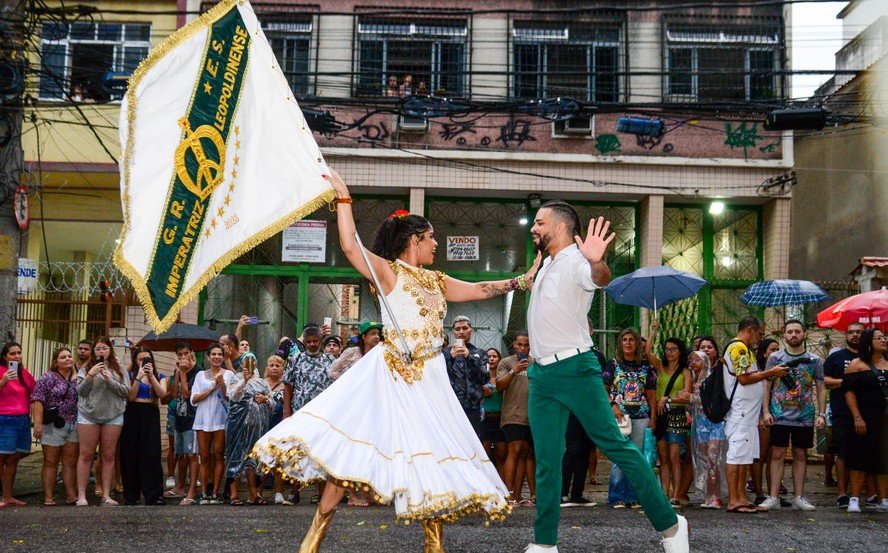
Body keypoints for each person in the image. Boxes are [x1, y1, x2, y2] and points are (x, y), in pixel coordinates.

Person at [254, 169, 528, 552]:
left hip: (430, 379)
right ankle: (311, 541)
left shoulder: (437, 281)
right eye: (431, 237)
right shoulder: (387, 272)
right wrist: (344, 199)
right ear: (415, 240)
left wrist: (519, 281)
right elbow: (350, 246)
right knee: (352, 453)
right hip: (391, 375)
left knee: (432, 458)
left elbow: (481, 289)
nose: (436, 244)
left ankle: (434, 547)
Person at [524, 200, 687, 553]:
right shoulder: (547, 263)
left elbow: (599, 278)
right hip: (541, 374)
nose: (534, 228)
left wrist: (597, 262)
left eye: (539, 222)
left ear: (560, 227)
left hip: (575, 369)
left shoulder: (576, 262)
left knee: (616, 446)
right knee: (547, 461)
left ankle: (672, 526)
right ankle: (544, 543)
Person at [758, 320, 825, 512]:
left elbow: (821, 387)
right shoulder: (775, 358)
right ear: (784, 334)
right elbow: (766, 384)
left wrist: (821, 414)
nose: (793, 335)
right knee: (777, 454)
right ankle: (773, 496)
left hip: (804, 416)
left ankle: (799, 497)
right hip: (779, 414)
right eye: (790, 332)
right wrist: (766, 411)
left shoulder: (814, 360)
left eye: (797, 331)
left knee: (800, 454)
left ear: (804, 333)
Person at [722, 317, 786, 514]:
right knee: (736, 456)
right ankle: (734, 500)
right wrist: (771, 372)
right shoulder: (738, 348)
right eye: (760, 334)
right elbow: (744, 378)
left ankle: (741, 496)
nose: (760, 338)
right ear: (750, 329)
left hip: (748, 414)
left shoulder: (746, 350)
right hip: (740, 412)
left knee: (745, 457)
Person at [603, 328, 657, 509]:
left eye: (631, 340)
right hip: (620, 416)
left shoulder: (646, 367)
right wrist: (613, 406)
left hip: (641, 416)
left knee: (637, 457)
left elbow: (651, 394)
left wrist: (653, 416)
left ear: (637, 344)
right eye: (624, 340)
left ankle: (633, 497)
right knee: (619, 455)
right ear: (620, 343)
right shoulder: (613, 364)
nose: (628, 343)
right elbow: (603, 388)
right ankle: (617, 496)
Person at [75, 337, 130, 506]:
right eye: (97, 349)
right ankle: (81, 495)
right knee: (86, 455)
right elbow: (80, 391)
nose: (101, 352)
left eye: (104, 348)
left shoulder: (118, 366)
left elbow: (126, 391)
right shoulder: (86, 367)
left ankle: (106, 495)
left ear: (110, 350)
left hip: (113, 414)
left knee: (108, 455)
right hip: (88, 414)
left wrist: (109, 380)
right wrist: (90, 375)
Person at [842, 327, 888, 513]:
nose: (883, 340)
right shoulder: (857, 364)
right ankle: (854, 498)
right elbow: (849, 392)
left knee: (883, 459)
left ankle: (883, 499)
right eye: (878, 338)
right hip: (864, 417)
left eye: (884, 337)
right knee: (860, 458)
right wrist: (857, 417)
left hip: (884, 418)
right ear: (868, 342)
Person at [645, 328, 692, 507]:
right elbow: (647, 352)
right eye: (667, 349)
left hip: (677, 414)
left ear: (680, 351)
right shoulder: (660, 367)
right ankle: (664, 494)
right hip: (661, 415)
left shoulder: (685, 372)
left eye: (673, 349)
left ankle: (676, 495)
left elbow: (687, 395)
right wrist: (653, 331)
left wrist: (668, 399)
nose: (669, 352)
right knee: (663, 458)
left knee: (675, 457)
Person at [31, 346, 80, 506]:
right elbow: (37, 400)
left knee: (70, 463)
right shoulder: (47, 378)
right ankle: (48, 497)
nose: (68, 359)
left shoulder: (78, 378)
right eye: (63, 357)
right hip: (52, 425)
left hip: (73, 424)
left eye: (69, 356)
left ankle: (71, 495)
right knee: (50, 462)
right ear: (55, 362)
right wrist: (38, 424)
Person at [560, 345, 607, 508]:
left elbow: (602, 382)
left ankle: (577, 494)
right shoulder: (567, 354)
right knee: (573, 449)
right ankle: (562, 493)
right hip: (572, 409)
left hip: (591, 410)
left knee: (586, 450)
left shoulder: (597, 356)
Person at [823, 322, 864, 508]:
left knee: (865, 453)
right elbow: (824, 380)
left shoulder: (871, 357)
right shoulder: (837, 357)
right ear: (846, 335)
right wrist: (846, 381)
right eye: (851, 332)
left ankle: (867, 494)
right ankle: (842, 494)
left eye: (859, 332)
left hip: (868, 412)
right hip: (842, 412)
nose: (855, 335)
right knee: (843, 453)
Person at [225, 353, 274, 505]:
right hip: (238, 426)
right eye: (246, 361)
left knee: (254, 460)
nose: (250, 363)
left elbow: (273, 404)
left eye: (252, 361)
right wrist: (244, 380)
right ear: (241, 363)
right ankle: (234, 495)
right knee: (236, 457)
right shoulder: (235, 378)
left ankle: (254, 495)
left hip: (258, 428)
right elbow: (233, 395)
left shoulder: (262, 382)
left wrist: (266, 399)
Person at [191, 342, 237, 504]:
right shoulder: (200, 375)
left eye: (219, 354)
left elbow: (231, 397)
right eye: (213, 354)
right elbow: (194, 399)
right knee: (204, 456)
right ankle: (204, 492)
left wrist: (222, 384)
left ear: (223, 357)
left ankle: (215, 492)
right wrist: (212, 388)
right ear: (208, 357)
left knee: (219, 455)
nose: (216, 357)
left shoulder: (229, 374)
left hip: (221, 419)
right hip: (203, 419)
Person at [121, 346, 167, 505]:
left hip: (151, 412)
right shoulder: (130, 375)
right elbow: (131, 397)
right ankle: (131, 494)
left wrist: (151, 376)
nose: (144, 361)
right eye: (140, 359)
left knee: (151, 453)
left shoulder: (159, 376)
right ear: (135, 360)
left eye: (147, 358)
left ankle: (154, 494)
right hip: (133, 412)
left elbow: (162, 394)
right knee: (130, 453)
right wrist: (139, 377)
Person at [682, 351, 726, 509]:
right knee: (703, 460)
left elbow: (712, 401)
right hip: (700, 425)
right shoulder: (692, 381)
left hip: (715, 423)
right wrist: (687, 401)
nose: (693, 362)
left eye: (697, 359)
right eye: (691, 360)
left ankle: (716, 496)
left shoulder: (712, 378)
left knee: (713, 459)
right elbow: (691, 406)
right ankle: (709, 496)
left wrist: (690, 398)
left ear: (705, 361)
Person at [496, 331, 535, 506]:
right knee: (515, 449)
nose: (523, 348)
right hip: (512, 414)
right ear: (514, 345)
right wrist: (515, 370)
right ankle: (508, 494)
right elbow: (499, 386)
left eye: (526, 345)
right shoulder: (506, 362)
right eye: (520, 344)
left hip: (531, 416)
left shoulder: (535, 364)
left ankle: (518, 496)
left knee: (525, 453)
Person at [162, 342, 200, 504]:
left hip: (193, 418)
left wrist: (183, 373)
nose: (183, 357)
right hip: (179, 416)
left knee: (192, 454)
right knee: (181, 453)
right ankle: (180, 487)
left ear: (191, 353)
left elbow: (186, 394)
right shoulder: (179, 370)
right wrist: (179, 372)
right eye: (180, 354)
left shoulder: (198, 372)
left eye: (186, 353)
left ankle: (192, 490)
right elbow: (173, 394)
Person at [0, 342, 35, 507]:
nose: (17, 356)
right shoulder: (2, 372)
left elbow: (35, 392)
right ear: (4, 357)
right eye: (12, 353)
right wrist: (3, 381)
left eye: (19, 353)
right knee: (1, 458)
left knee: (13, 459)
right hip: (4, 419)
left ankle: (8, 496)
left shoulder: (24, 374)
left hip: (22, 419)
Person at [444, 315, 489, 437]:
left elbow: (485, 378)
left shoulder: (481, 353)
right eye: (457, 329)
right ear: (453, 332)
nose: (461, 332)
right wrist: (450, 358)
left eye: (465, 328)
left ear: (471, 330)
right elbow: (439, 377)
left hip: (472, 407)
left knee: (473, 442)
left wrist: (469, 357)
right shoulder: (445, 353)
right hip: (450, 406)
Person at [750, 337, 781, 505]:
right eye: (772, 350)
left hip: (780, 416)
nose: (776, 353)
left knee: (773, 457)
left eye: (778, 349)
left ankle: (773, 494)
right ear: (763, 353)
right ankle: (759, 493)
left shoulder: (781, 369)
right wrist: (761, 415)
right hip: (761, 416)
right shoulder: (758, 371)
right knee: (760, 456)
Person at [283, 325, 335, 419]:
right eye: (308, 341)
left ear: (321, 342)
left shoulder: (330, 360)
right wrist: (286, 412)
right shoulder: (296, 359)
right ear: (304, 342)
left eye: (315, 341)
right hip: (300, 411)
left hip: (323, 412)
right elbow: (288, 386)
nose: (312, 344)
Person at [481, 347, 507, 483]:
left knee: (501, 456)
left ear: (499, 359)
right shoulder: (480, 376)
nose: (491, 359)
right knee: (484, 456)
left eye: (494, 356)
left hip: (500, 419)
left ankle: (502, 487)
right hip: (484, 420)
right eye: (488, 356)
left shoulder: (504, 378)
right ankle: (486, 486)